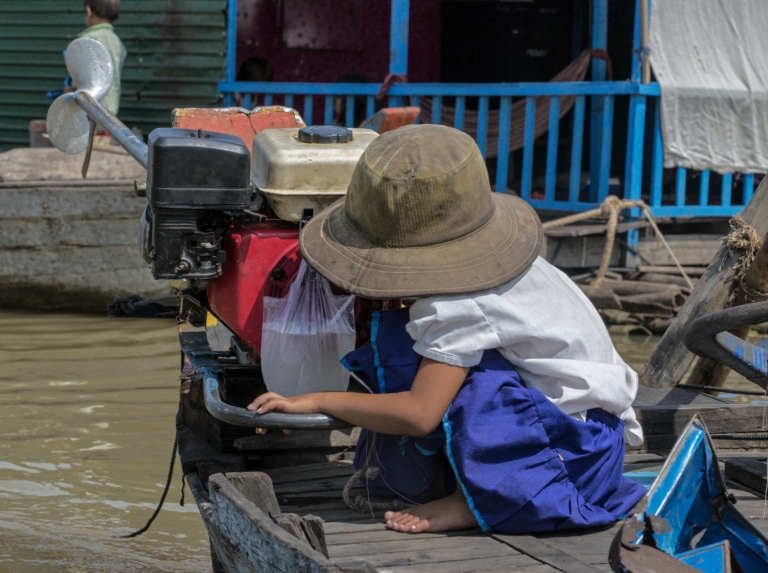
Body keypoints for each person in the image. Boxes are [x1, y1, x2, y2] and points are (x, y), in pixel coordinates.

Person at [248, 124, 647, 535]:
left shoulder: (459, 304)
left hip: (567, 463)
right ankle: (470, 480)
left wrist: (315, 400)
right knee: (415, 346)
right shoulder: (518, 270)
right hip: (599, 445)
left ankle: (477, 499)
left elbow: (420, 414)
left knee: (473, 379)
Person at [67, 0, 127, 116]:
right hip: (110, 114)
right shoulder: (117, 42)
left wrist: (69, 91)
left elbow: (78, 82)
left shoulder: (85, 40)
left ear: (89, 11)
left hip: (88, 112)